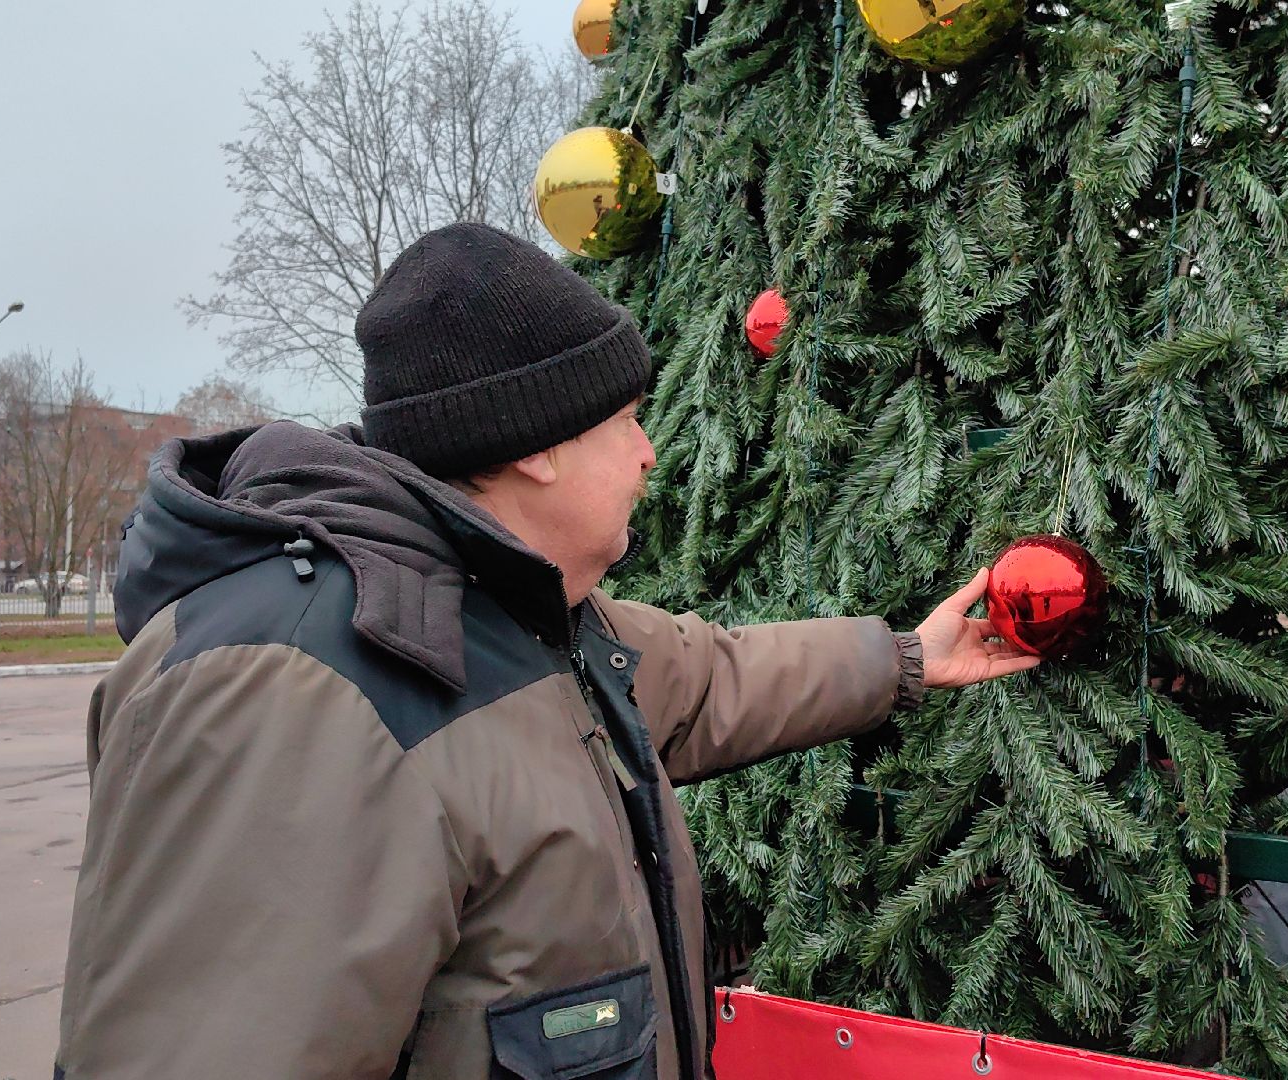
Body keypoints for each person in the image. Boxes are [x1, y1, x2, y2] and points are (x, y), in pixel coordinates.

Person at [53, 222, 1040, 1079]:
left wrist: (908, 658)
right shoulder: (299, 687)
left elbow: (711, 677)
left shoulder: (523, 619)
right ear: (538, 444)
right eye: (626, 421)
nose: (651, 452)